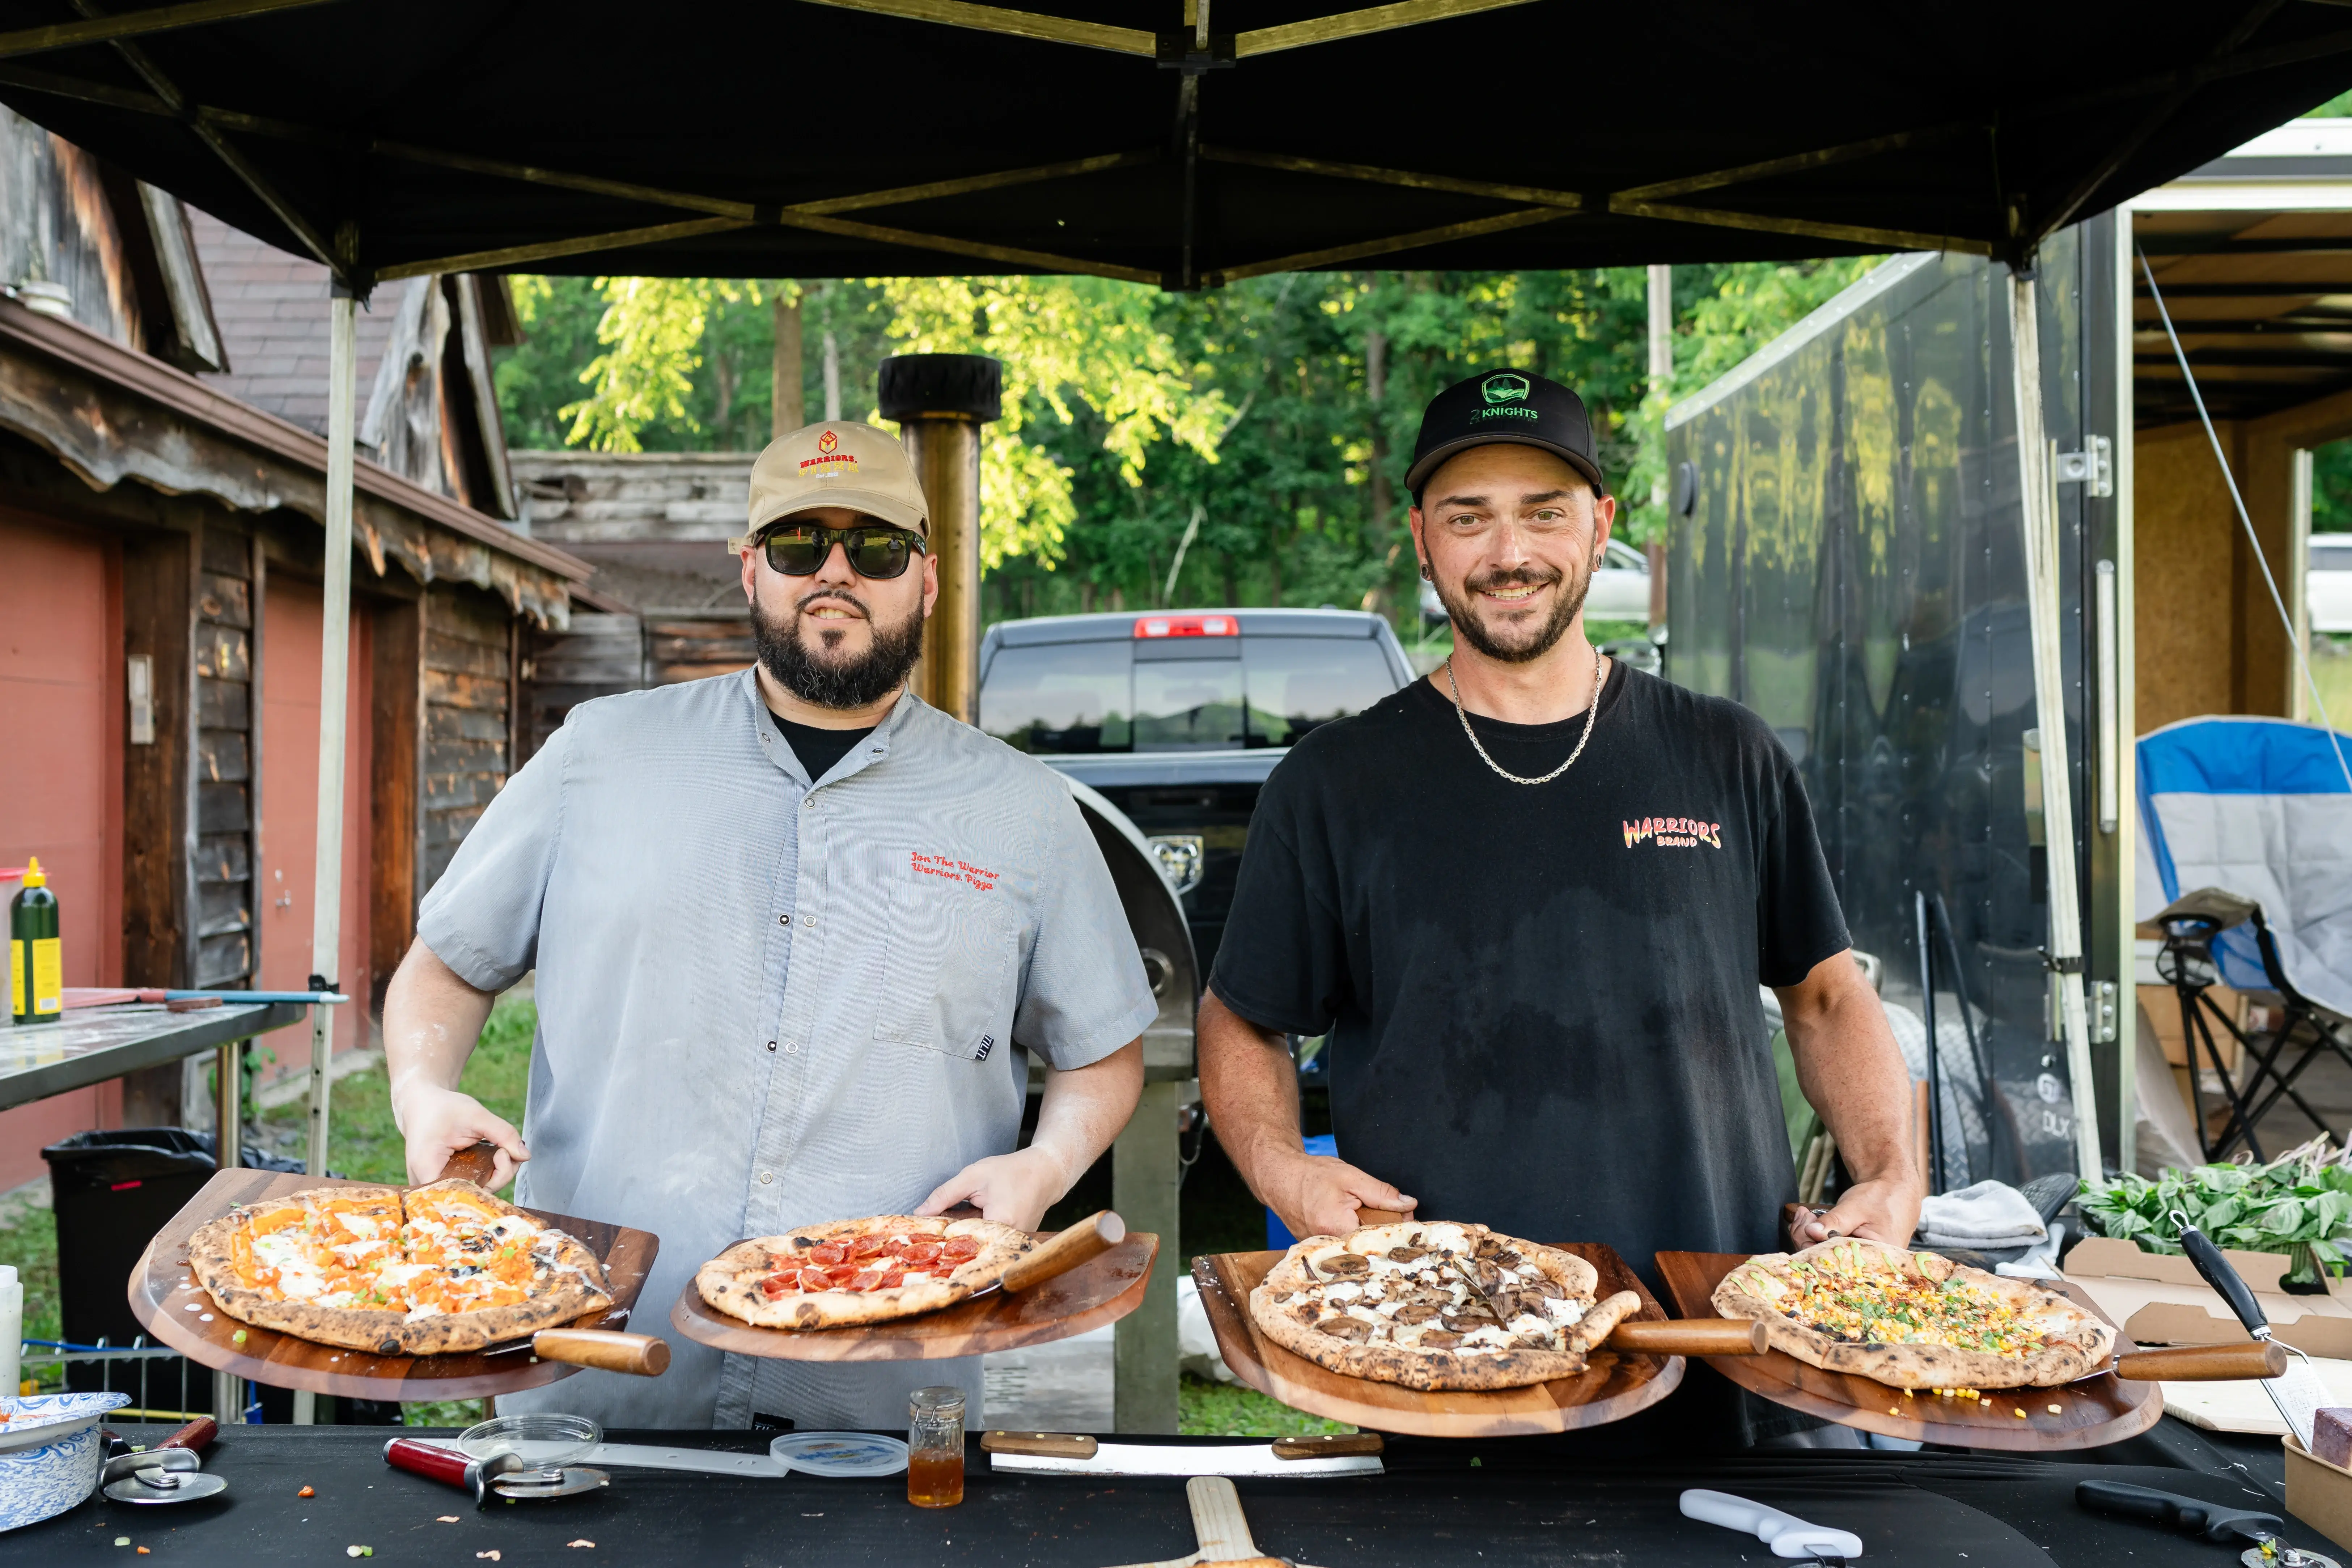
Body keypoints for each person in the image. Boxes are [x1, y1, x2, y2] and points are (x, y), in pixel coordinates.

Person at [381, 420, 1158, 1429]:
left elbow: (1102, 1050)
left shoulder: (1024, 810)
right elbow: (445, 967)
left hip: (882, 1390)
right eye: (799, 545)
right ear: (751, 571)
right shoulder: (597, 756)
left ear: (926, 579)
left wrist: (1044, 1166)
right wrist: (418, 1092)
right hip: (603, 1375)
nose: (835, 573)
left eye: (874, 548)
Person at [1197, 369, 1919, 1445]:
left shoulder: (1726, 752)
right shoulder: (1336, 779)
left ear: (1599, 525)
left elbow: (1822, 993)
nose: (1509, 553)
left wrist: (1893, 1174)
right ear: (1422, 540)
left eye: (1544, 512)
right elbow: (1244, 1015)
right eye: (1468, 518)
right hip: (1435, 1343)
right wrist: (1281, 1168)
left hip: (1716, 1331)